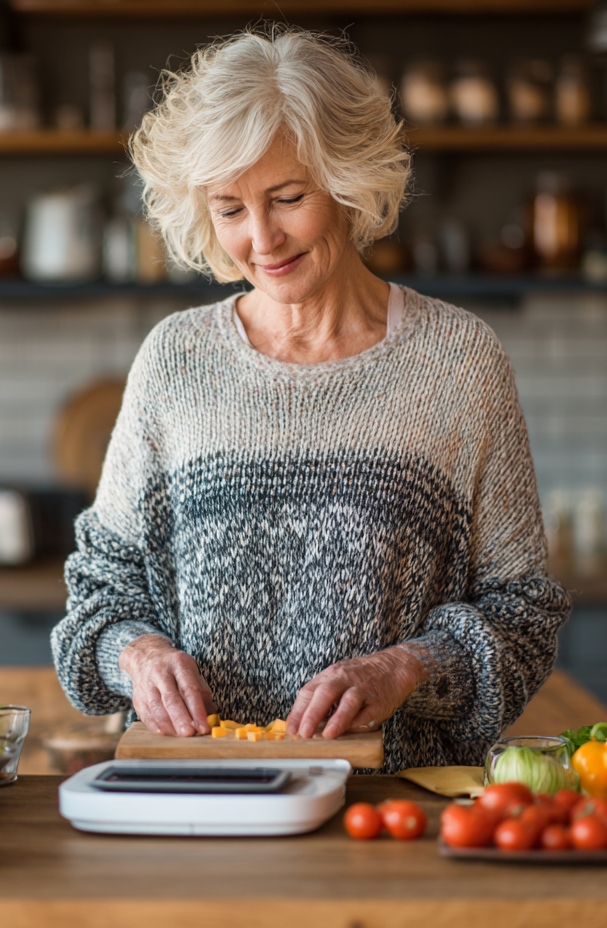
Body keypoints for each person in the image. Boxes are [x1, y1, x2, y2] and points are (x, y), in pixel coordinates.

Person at [51, 27, 570, 772]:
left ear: (349, 181)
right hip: (193, 797)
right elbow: (98, 594)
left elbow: (523, 617)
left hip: (390, 809)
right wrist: (136, 653)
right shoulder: (176, 360)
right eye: (229, 209)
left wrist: (406, 667)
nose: (262, 238)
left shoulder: (458, 363)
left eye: (288, 197)